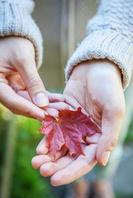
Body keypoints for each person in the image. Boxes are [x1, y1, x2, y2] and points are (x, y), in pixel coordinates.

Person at [0, 0, 132, 187]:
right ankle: (79, 186)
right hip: (36, 57)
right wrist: (7, 14)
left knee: (108, 126)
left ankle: (102, 180)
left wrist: (115, 34)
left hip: (110, 58)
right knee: (49, 106)